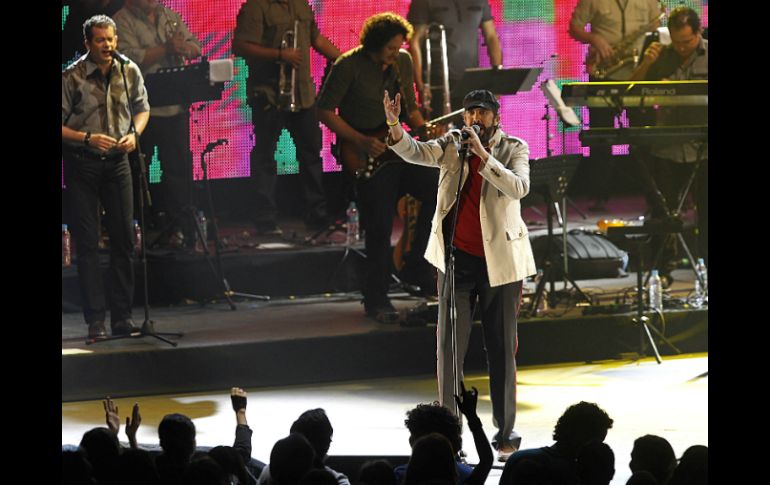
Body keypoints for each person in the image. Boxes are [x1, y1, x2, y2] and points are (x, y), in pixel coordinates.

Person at [384, 88, 536, 461]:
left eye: (482, 113)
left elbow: (519, 187)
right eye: (470, 113)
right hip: (457, 260)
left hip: (501, 264)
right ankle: (449, 437)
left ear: (496, 117)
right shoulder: (452, 144)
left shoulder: (514, 148)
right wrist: (394, 124)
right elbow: (415, 152)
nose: (474, 119)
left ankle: (505, 434)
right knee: (449, 350)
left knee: (502, 348)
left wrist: (484, 156)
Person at [317, 12, 438, 321]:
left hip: (396, 148)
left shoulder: (402, 61)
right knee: (380, 224)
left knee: (440, 188)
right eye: (390, 48)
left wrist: (425, 129)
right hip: (364, 150)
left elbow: (410, 108)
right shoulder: (348, 65)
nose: (395, 53)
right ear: (374, 44)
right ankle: (376, 297)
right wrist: (360, 140)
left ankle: (416, 265)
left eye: (398, 47)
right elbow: (325, 111)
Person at [62, 14, 150, 339]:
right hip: (82, 164)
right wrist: (87, 138)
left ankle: (122, 318)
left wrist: (134, 135)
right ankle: (95, 320)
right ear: (87, 43)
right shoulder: (71, 76)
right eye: (101, 40)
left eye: (111, 39)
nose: (108, 45)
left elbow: (142, 108)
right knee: (87, 244)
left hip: (118, 164)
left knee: (123, 240)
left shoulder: (128, 70)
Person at [233, 0, 341, 236]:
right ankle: (265, 219)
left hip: (302, 94)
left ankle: (317, 215)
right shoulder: (256, 7)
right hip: (269, 94)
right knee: (265, 158)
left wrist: (343, 60)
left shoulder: (301, 5)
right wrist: (280, 54)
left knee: (311, 156)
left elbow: (316, 39)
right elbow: (240, 46)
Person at [113, 0, 201, 248]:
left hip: (175, 107)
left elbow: (196, 46)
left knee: (178, 171)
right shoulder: (121, 20)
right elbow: (128, 59)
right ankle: (137, 229)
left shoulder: (169, 15)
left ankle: (180, 228)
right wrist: (165, 49)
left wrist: (184, 48)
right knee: (137, 173)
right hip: (142, 112)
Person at [630, 6, 708, 279]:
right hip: (667, 146)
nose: (682, 48)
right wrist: (646, 64)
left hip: (703, 147)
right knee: (662, 211)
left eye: (687, 41)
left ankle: (704, 268)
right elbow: (631, 92)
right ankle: (662, 271)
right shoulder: (661, 55)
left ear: (699, 32)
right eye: (676, 42)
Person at [569, 0, 662, 210]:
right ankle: (599, 195)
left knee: (645, 136)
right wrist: (595, 39)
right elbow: (574, 28)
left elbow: (655, 27)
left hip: (639, 72)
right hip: (604, 72)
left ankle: (654, 197)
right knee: (601, 136)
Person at [407, 0, 502, 115]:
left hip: (471, 79)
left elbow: (491, 37)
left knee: (472, 123)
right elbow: (415, 42)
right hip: (438, 82)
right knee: (440, 123)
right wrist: (421, 85)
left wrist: (498, 78)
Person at [500, 401, 614, 484]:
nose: (598, 447)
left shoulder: (522, 457)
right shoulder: (568, 472)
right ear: (580, 434)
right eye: (596, 442)